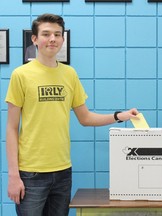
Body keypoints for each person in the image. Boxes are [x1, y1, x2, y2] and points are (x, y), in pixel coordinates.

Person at [5, 13, 139, 216]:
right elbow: (12, 128)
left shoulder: (70, 74)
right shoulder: (21, 75)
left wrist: (119, 116)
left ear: (62, 39)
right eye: (46, 34)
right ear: (34, 39)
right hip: (31, 173)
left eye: (57, 34)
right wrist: (13, 175)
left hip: (62, 172)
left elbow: (85, 118)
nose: (52, 39)